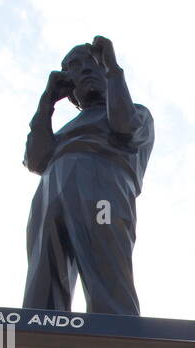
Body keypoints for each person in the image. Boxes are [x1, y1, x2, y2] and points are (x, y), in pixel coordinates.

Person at [22, 36, 154, 315]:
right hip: (50, 191)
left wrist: (113, 67)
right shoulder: (63, 132)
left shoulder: (137, 113)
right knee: (43, 283)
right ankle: (38, 340)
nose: (84, 70)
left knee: (106, 271)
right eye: (75, 67)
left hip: (102, 183)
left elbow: (124, 126)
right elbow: (36, 159)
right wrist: (47, 101)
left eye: (92, 63)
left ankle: (118, 341)